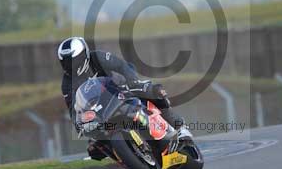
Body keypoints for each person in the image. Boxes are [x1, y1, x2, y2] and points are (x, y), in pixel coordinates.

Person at [57, 36, 188, 160]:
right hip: (100, 108)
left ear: (83, 55)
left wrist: (133, 82)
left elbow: (121, 66)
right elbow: (73, 108)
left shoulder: (97, 57)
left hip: (120, 87)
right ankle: (128, 156)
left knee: (153, 91)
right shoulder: (67, 83)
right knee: (94, 148)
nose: (70, 65)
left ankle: (179, 127)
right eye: (66, 62)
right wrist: (79, 124)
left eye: (73, 61)